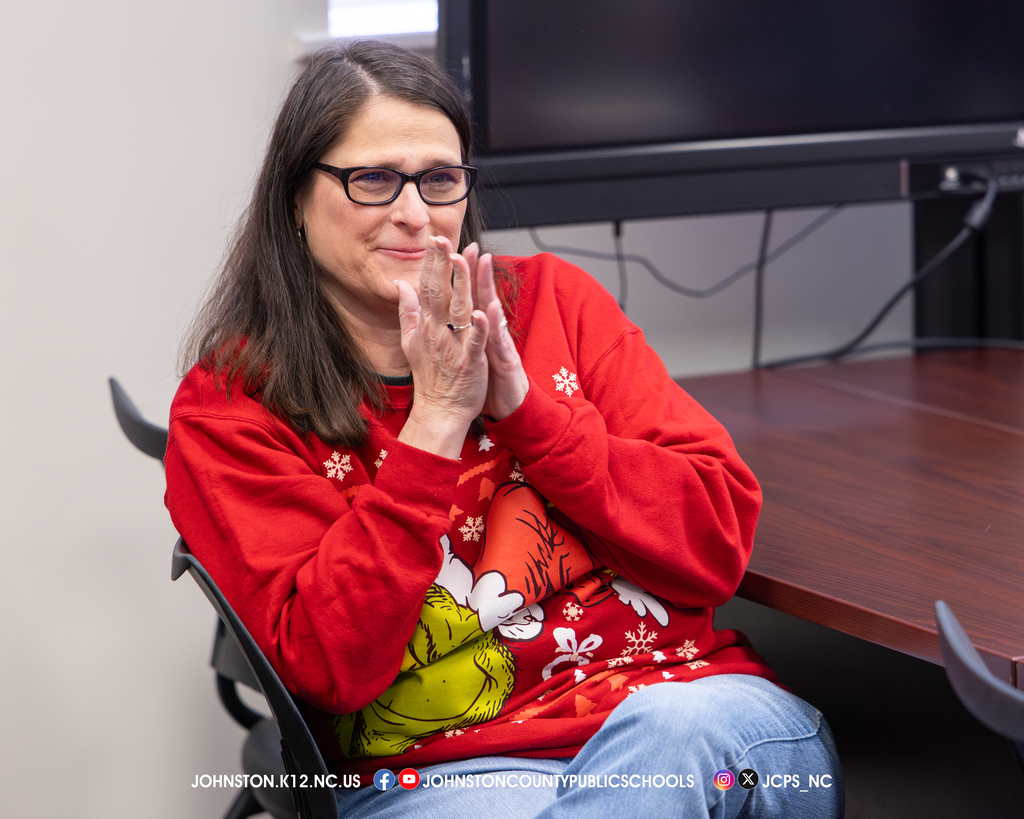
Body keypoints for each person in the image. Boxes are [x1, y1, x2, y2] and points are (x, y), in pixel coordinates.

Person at [165, 40, 843, 818]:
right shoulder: (234, 403)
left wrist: (532, 416)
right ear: (294, 195)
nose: (414, 214)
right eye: (374, 179)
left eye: (439, 180)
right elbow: (326, 664)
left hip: (695, 713)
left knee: (676, 735)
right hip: (449, 774)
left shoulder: (561, 303)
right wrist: (435, 425)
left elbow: (718, 544)